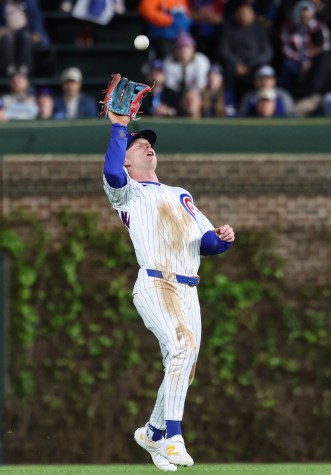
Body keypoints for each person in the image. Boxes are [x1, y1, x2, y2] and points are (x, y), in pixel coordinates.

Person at [102, 109, 235, 471]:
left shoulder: (180, 194)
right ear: (127, 160)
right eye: (138, 144)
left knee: (183, 364)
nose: (147, 146)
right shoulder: (127, 192)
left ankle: (152, 431)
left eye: (149, 144)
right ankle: (172, 436)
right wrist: (119, 129)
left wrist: (222, 239)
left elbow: (203, 242)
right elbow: (111, 173)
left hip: (188, 287)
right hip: (155, 281)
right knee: (183, 348)